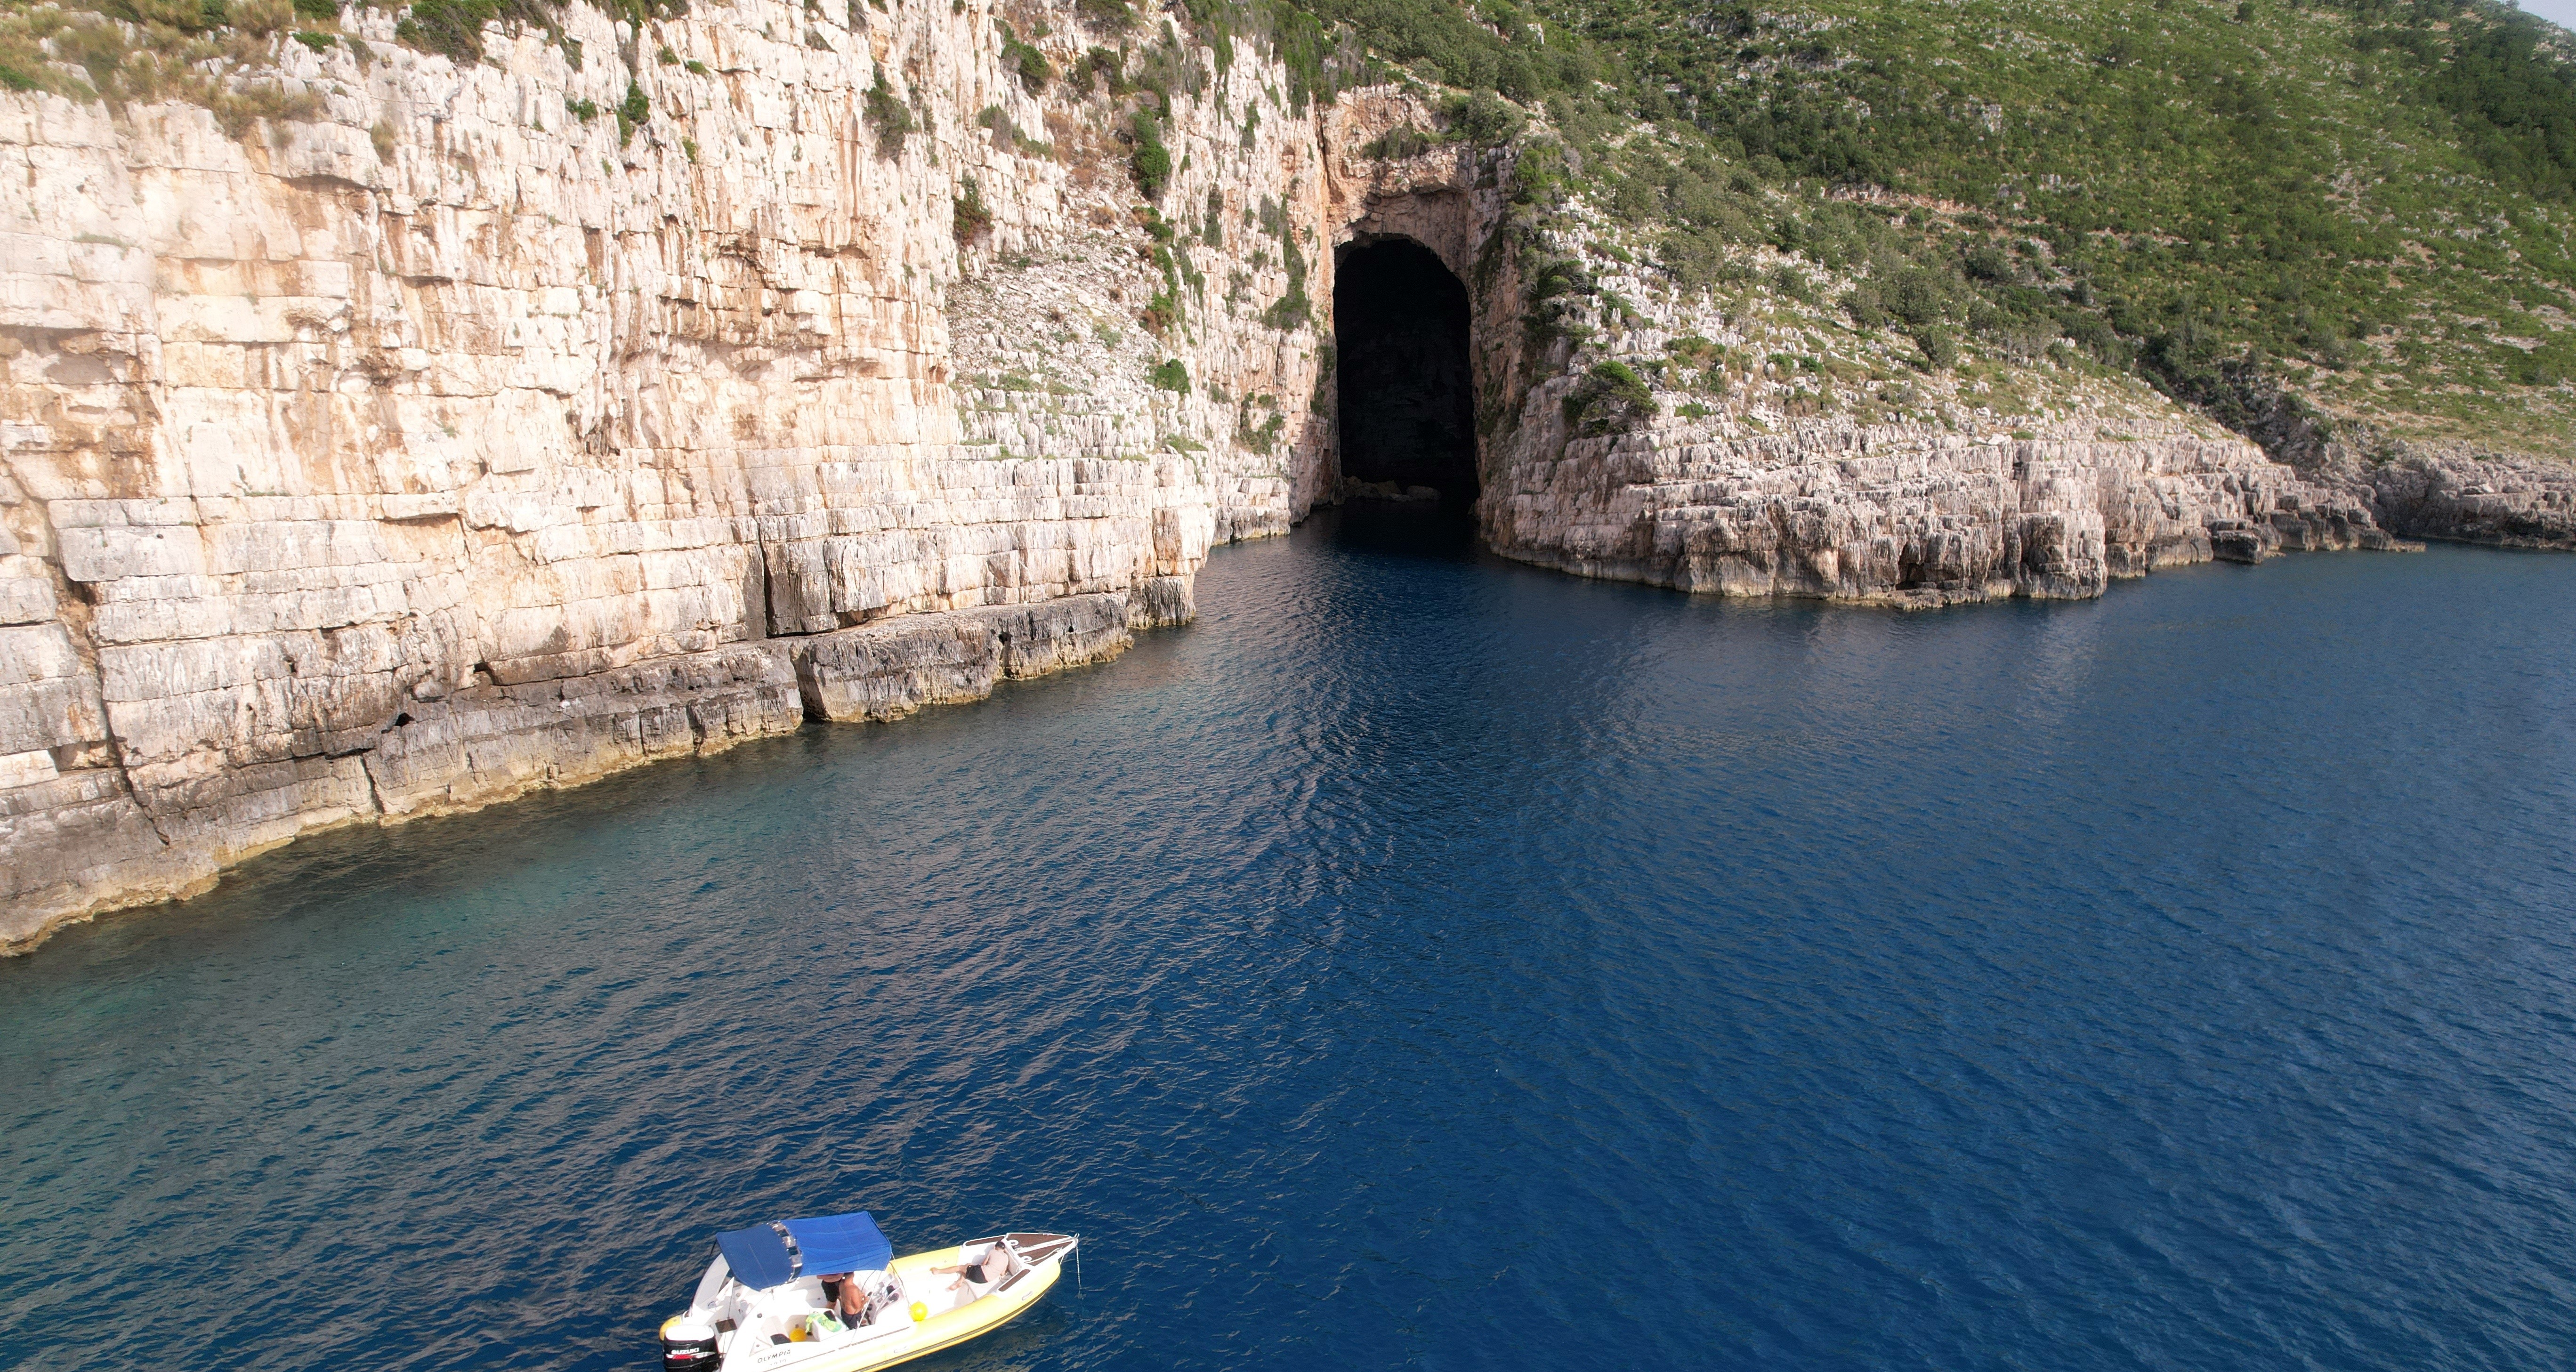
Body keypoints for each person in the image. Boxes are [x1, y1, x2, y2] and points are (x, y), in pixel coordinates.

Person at [929, 1242, 1017, 1295]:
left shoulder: (992, 1251)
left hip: (980, 1274)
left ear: (995, 1247)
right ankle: (959, 1283)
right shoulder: (1006, 1258)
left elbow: (983, 1264)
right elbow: (1002, 1273)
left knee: (962, 1267)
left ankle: (938, 1271)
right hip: (985, 1280)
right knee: (968, 1266)